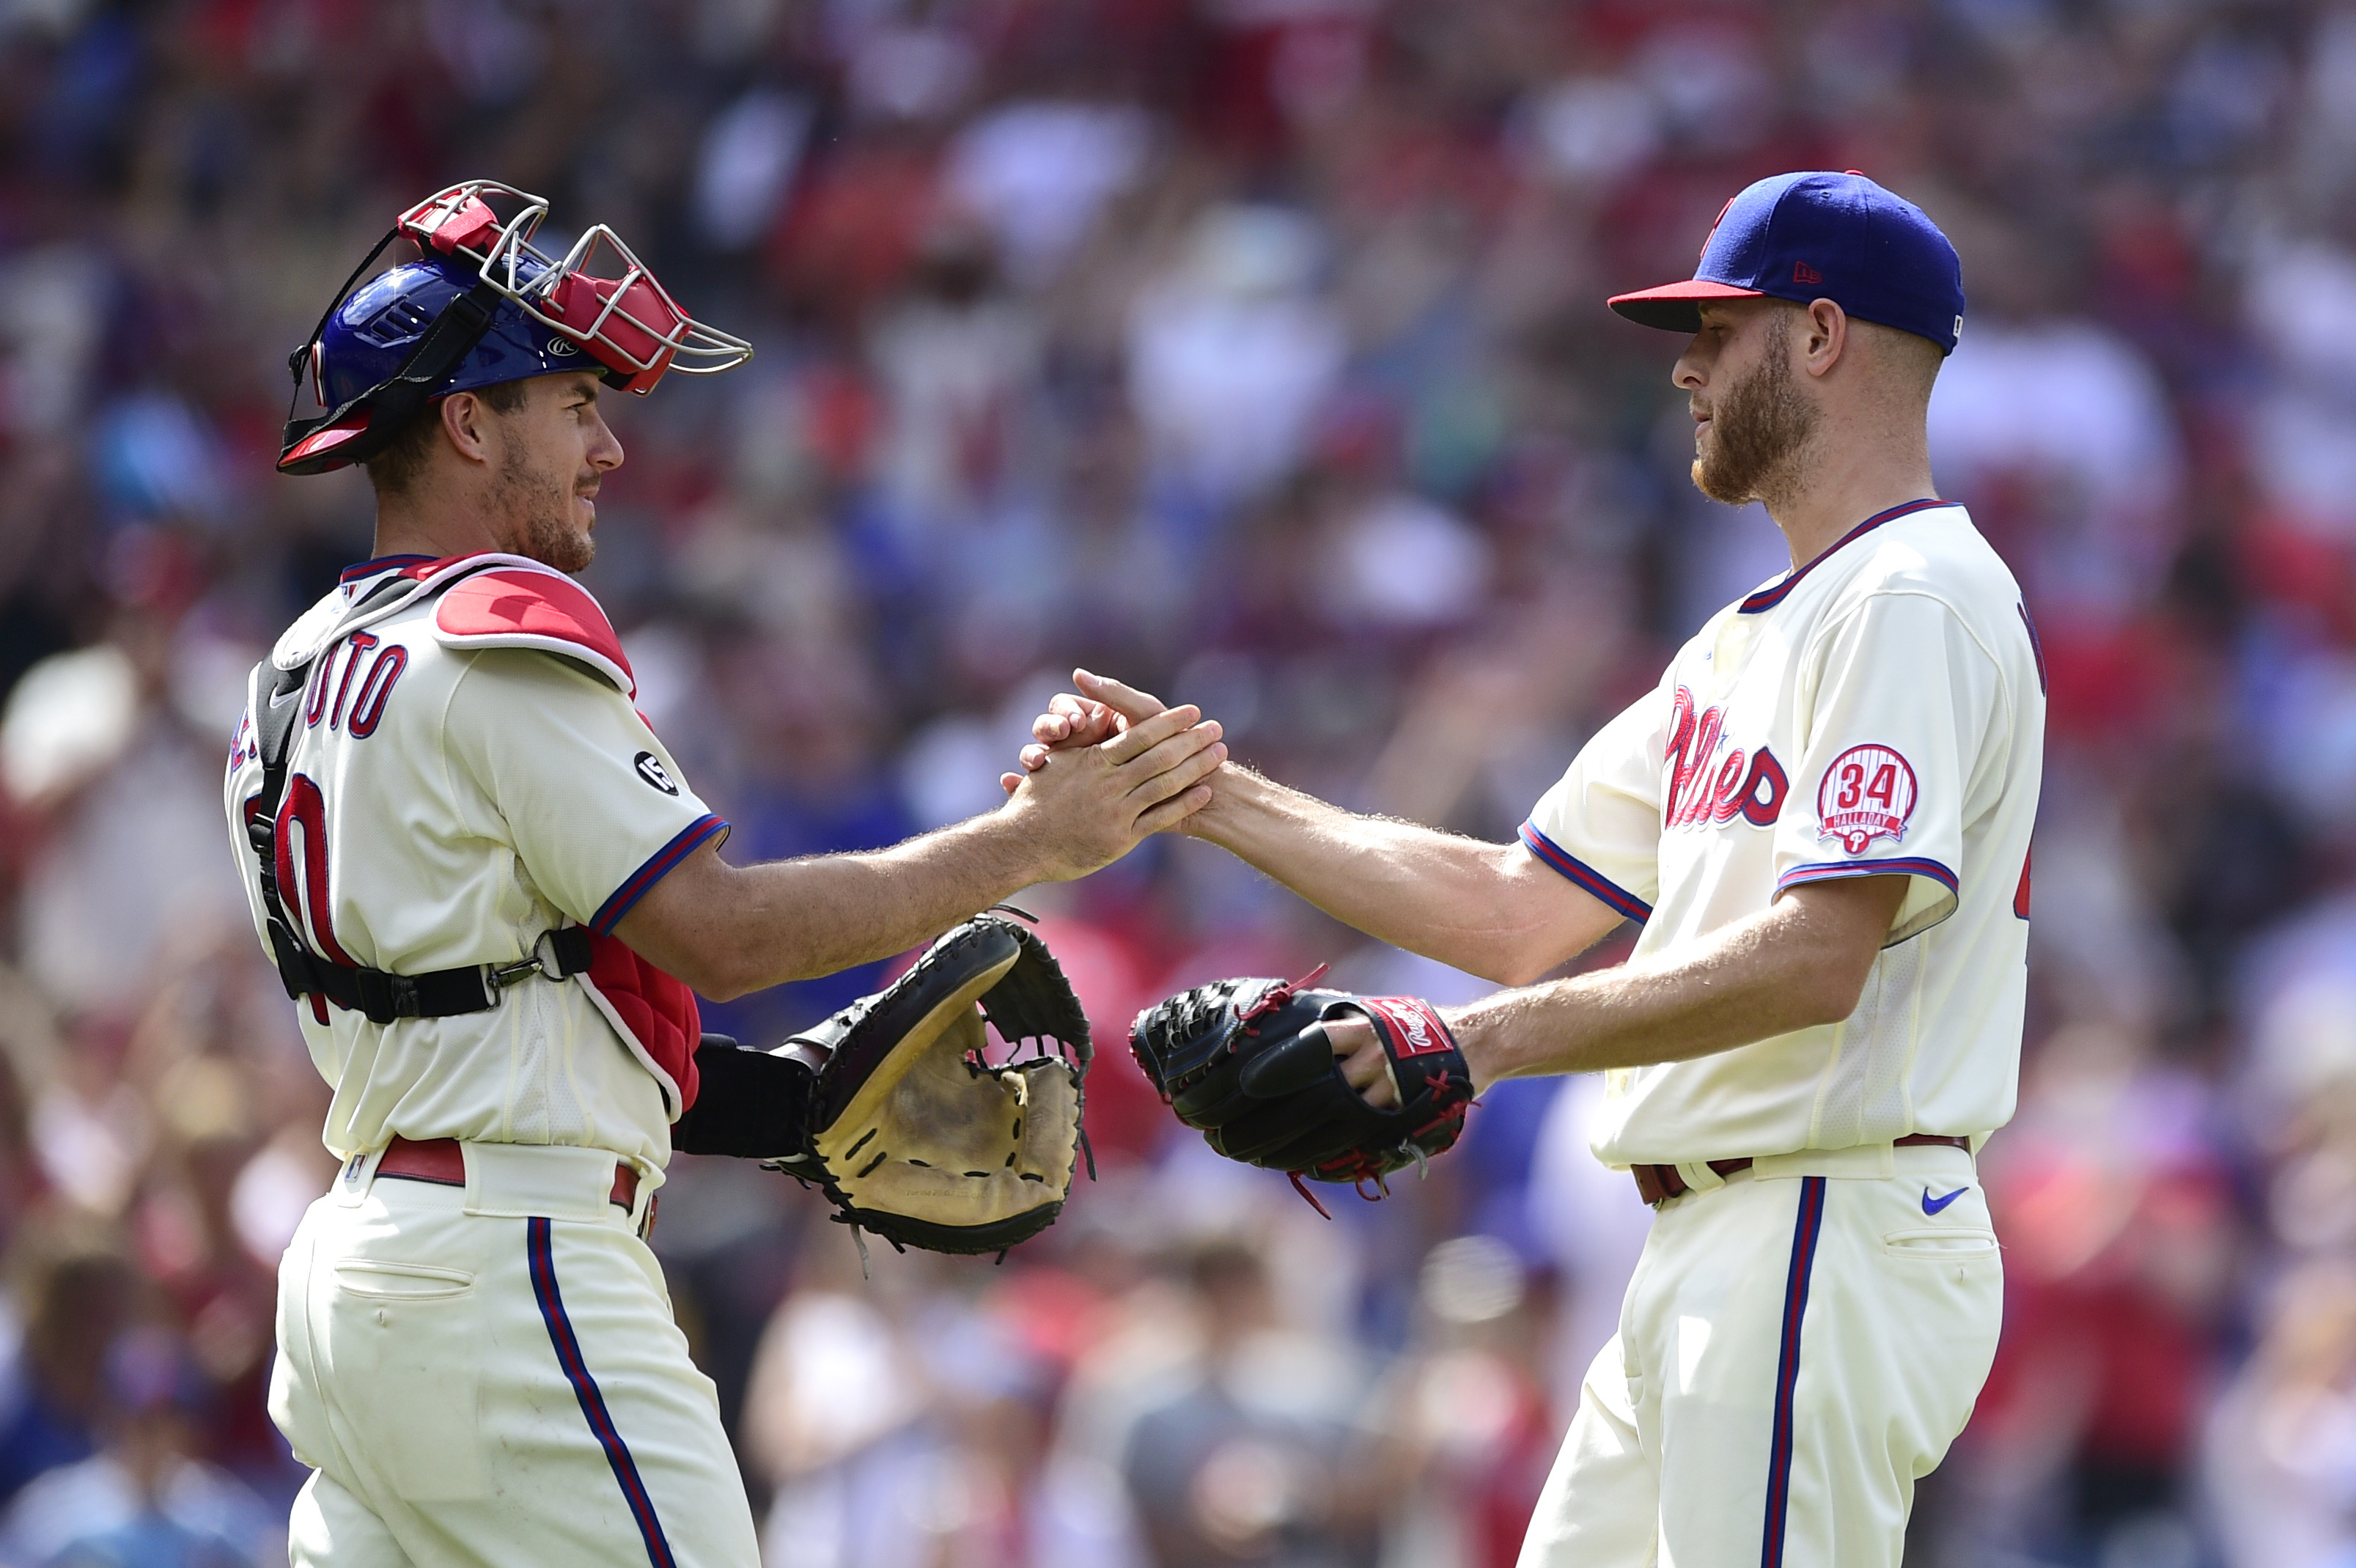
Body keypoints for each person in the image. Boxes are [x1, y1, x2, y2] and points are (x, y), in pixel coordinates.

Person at [1013, 171, 2044, 1567]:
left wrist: (1470, 1048)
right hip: (1711, 1236)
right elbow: (1513, 910)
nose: (1682, 367)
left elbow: (1817, 957)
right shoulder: (1746, 638)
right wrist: (1201, 792)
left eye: (1716, 331)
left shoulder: (1909, 597)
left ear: (1817, 338)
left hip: (1826, 1218)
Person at [222, 184, 1225, 1567]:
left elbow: (489, 992)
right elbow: (721, 935)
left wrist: (779, 1098)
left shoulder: (295, 669)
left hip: (363, 1279)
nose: (609, 446)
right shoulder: (494, 637)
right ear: (467, 421)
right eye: (574, 403)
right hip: (516, 1275)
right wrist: (1030, 844)